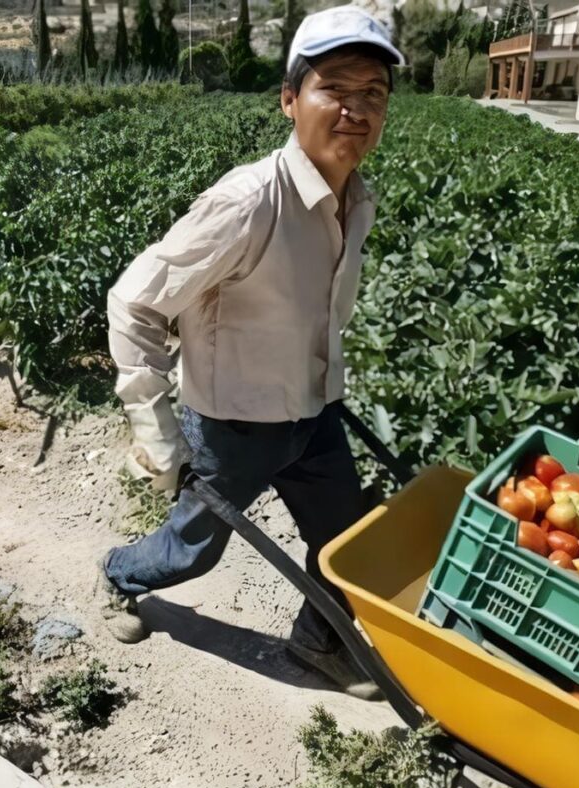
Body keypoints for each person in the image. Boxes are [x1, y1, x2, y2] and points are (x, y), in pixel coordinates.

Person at [97, 5, 404, 700]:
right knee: (193, 552)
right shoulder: (249, 202)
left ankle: (318, 644)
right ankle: (120, 573)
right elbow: (135, 302)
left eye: (374, 95)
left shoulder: (357, 199)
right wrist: (158, 434)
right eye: (336, 89)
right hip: (236, 424)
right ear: (290, 100)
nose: (355, 110)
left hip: (316, 413)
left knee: (342, 546)